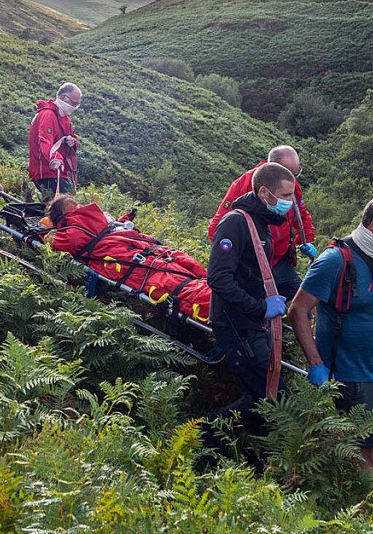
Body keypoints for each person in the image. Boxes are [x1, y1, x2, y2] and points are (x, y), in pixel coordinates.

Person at [287, 195, 373, 474]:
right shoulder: (335, 261)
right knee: (366, 449)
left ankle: (347, 491)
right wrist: (315, 363)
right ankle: (359, 506)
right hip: (351, 375)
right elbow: (298, 310)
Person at [203, 162, 296, 447]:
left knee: (264, 397)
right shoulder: (236, 222)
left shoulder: (261, 223)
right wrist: (259, 307)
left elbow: (250, 271)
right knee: (272, 399)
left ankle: (245, 451)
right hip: (236, 322)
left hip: (251, 320)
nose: (290, 203)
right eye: (285, 196)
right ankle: (199, 439)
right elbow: (218, 277)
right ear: (265, 193)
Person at [45, 195, 211, 321]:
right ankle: (222, 301)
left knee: (174, 283)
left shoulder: (75, 224)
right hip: (145, 248)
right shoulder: (93, 216)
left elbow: (67, 240)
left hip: (132, 254)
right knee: (184, 272)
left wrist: (47, 235)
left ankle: (219, 307)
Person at [208, 145, 316, 301]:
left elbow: (301, 214)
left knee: (303, 305)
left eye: (295, 174)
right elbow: (218, 228)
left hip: (281, 261)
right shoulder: (244, 185)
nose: (293, 178)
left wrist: (307, 239)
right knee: (263, 313)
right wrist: (242, 261)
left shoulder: (290, 184)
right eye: (289, 174)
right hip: (255, 266)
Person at [28, 83, 81, 199]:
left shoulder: (64, 117)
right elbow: (45, 143)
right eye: (74, 103)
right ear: (63, 98)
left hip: (57, 171)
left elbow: (72, 136)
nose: (76, 107)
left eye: (77, 104)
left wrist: (72, 142)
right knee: (65, 204)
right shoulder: (48, 115)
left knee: (64, 203)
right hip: (46, 171)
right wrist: (56, 158)